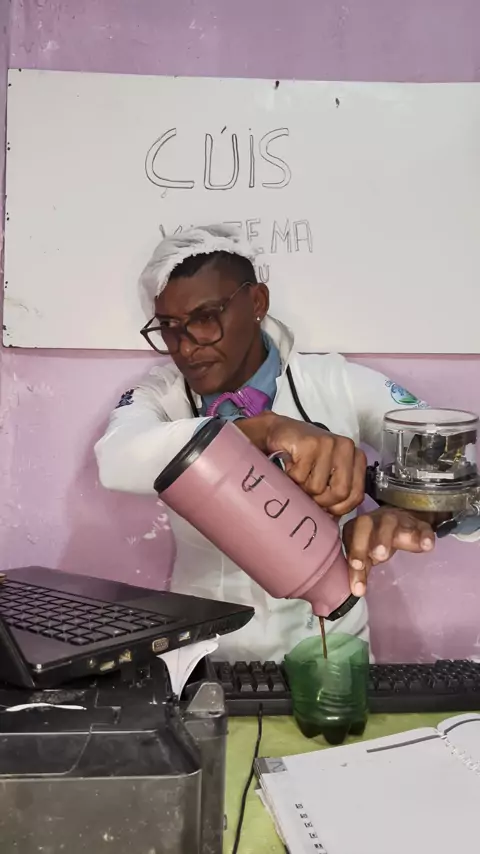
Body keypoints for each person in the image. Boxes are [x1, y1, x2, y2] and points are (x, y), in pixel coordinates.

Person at [95, 224, 480, 662]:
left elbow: (446, 466)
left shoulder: (337, 383)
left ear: (257, 302)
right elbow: (117, 457)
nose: (185, 348)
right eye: (169, 326)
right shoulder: (161, 395)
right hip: (208, 660)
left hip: (331, 654)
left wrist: (417, 510)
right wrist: (257, 432)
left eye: (204, 319)